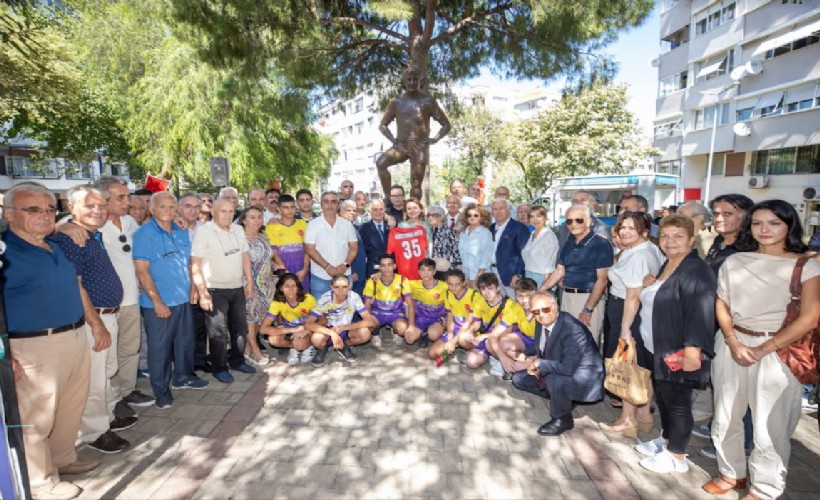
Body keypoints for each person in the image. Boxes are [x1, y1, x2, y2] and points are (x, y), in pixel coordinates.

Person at [705, 200, 820, 500]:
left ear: (789, 226)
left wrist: (762, 348)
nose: (764, 229)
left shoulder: (807, 265)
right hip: (733, 343)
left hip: (778, 351)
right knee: (726, 415)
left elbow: (810, 318)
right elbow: (722, 303)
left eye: (773, 223)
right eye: (757, 223)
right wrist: (732, 340)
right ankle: (732, 473)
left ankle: (765, 488)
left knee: (772, 425)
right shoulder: (735, 261)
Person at [3, 182, 98, 499]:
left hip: (72, 335)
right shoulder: (7, 253)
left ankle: (63, 459)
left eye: (48, 209)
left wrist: (93, 325)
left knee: (70, 407)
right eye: (33, 209)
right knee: (35, 417)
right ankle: (40, 482)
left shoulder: (52, 245)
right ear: (9, 213)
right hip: (32, 347)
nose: (44, 215)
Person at [51, 186, 133, 454]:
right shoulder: (72, 237)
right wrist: (96, 324)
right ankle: (94, 432)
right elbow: (75, 284)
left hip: (107, 315)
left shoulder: (91, 234)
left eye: (101, 205)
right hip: (93, 319)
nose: (97, 210)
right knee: (94, 379)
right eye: (89, 205)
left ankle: (107, 418)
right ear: (71, 208)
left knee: (107, 373)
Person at [633, 214, 717, 474]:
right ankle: (667, 440)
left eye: (678, 236)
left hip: (676, 349)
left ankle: (677, 456)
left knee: (678, 403)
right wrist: (651, 282)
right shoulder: (669, 264)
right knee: (665, 398)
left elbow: (700, 312)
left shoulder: (696, 269)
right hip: (654, 345)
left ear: (692, 239)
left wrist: (692, 351)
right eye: (666, 236)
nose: (670, 241)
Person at [134, 192, 209, 409]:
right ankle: (161, 391)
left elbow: (188, 264)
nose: (167, 211)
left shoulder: (181, 230)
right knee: (160, 350)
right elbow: (142, 271)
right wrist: (157, 302)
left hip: (182, 299)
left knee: (185, 343)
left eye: (171, 206)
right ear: (152, 209)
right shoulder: (144, 234)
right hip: (158, 304)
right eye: (163, 207)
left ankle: (183, 377)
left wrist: (193, 288)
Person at [599, 211, 664, 437]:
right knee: (642, 366)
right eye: (622, 227)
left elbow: (633, 295)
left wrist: (625, 329)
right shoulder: (645, 249)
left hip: (628, 312)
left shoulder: (639, 255)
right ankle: (644, 415)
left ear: (644, 232)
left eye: (631, 228)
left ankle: (627, 419)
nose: (625, 232)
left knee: (628, 364)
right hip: (636, 312)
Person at [94, 177, 155, 412]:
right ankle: (111, 399)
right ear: (103, 199)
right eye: (120, 197)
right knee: (107, 357)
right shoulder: (91, 224)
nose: (127, 202)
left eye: (127, 196)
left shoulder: (130, 222)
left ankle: (127, 390)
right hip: (105, 303)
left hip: (132, 299)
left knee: (130, 349)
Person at [510, 292, 605, 437]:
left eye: (545, 309)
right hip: (559, 366)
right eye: (536, 311)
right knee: (518, 379)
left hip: (584, 376)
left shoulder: (572, 328)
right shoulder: (540, 322)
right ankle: (562, 398)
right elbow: (541, 346)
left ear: (556, 307)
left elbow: (567, 368)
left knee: (553, 380)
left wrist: (539, 364)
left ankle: (562, 418)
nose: (541, 315)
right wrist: (520, 354)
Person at [191, 198, 257, 384]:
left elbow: (244, 255)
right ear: (214, 212)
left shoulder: (238, 229)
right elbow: (195, 264)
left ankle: (237, 360)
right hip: (214, 289)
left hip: (237, 287)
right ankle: (219, 368)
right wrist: (202, 292)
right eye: (223, 211)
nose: (228, 215)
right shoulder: (204, 232)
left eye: (231, 211)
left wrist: (249, 281)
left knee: (239, 329)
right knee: (218, 332)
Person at [375, 64, 451, 199]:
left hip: (420, 146)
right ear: (405, 80)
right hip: (401, 145)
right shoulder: (396, 102)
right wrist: (394, 141)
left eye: (415, 79)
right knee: (381, 163)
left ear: (420, 81)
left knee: (416, 183)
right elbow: (383, 126)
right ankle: (389, 200)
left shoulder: (428, 101)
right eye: (409, 79)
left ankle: (413, 211)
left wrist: (435, 139)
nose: (412, 82)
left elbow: (446, 125)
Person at [543, 205, 613, 346]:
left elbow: (602, 280)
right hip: (567, 298)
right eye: (569, 221)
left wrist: (588, 309)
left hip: (587, 299)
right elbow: (559, 271)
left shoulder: (600, 243)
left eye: (578, 220)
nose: (573, 224)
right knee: (568, 343)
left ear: (588, 221)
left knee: (587, 346)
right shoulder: (570, 241)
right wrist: (540, 291)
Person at [458, 273, 522, 373]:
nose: (487, 293)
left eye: (490, 288)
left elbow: (506, 334)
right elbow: (477, 324)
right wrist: (470, 331)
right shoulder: (480, 302)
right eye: (483, 289)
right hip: (487, 338)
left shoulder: (509, 305)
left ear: (498, 288)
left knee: (493, 343)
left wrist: (483, 337)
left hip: (502, 340)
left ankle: (503, 361)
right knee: (471, 361)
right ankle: (487, 355)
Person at [306, 274, 376, 365]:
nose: (341, 291)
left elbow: (369, 321)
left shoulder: (354, 297)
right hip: (328, 330)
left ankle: (343, 345)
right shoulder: (325, 299)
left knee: (365, 334)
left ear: (349, 286)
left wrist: (343, 328)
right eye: (336, 287)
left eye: (344, 287)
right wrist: (332, 333)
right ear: (331, 287)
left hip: (346, 328)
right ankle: (323, 348)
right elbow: (308, 324)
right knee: (316, 339)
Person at [304, 191, 358, 299]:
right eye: (326, 202)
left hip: (344, 276)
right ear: (321, 204)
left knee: (344, 312)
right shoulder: (313, 224)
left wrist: (345, 265)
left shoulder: (347, 224)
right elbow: (310, 249)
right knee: (321, 313)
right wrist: (327, 267)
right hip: (320, 277)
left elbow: (354, 248)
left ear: (338, 205)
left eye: (333, 202)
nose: (330, 205)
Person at [237, 207, 273, 367]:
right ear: (244, 220)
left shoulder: (264, 236)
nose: (257, 220)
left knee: (261, 317)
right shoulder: (239, 238)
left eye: (259, 217)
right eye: (252, 217)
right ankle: (255, 349)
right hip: (248, 283)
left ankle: (247, 349)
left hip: (266, 283)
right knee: (250, 317)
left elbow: (269, 258)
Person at [259, 273, 317, 365]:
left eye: (294, 286)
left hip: (306, 328)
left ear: (298, 287)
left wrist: (307, 329)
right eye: (287, 286)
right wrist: (293, 329)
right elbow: (263, 329)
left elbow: (323, 319)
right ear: (281, 288)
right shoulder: (277, 302)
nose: (291, 290)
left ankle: (308, 346)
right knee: (273, 339)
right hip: (290, 328)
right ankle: (295, 348)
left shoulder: (308, 299)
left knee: (299, 343)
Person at [363, 254, 415, 342]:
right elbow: (367, 303)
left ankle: (395, 331)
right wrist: (368, 321)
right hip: (377, 313)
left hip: (395, 313)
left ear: (394, 266)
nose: (386, 268)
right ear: (379, 267)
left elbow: (410, 304)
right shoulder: (372, 281)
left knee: (403, 329)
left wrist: (411, 326)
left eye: (389, 265)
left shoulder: (402, 280)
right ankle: (375, 333)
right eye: (383, 265)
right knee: (367, 326)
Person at [434, 269, 480, 360]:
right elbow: (449, 317)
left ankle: (468, 349)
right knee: (432, 354)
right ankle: (452, 347)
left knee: (463, 339)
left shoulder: (474, 295)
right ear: (446, 283)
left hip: (469, 329)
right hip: (455, 328)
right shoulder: (447, 294)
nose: (453, 288)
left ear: (464, 283)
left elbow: (468, 322)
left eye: (457, 284)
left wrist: (453, 342)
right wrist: (450, 338)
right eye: (450, 284)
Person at [267, 194, 310, 291]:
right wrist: (284, 270)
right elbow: (274, 251)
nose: (290, 210)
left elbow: (308, 249)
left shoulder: (303, 224)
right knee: (283, 300)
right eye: (286, 207)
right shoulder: (271, 227)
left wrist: (305, 269)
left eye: (292, 207)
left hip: (301, 272)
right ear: (278, 208)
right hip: (282, 272)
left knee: (303, 300)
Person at [490, 198, 530, 298]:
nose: (498, 212)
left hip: (511, 275)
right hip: (492, 272)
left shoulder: (519, 228)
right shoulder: (490, 228)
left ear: (508, 210)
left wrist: (518, 274)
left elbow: (524, 254)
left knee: (516, 305)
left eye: (501, 208)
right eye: (495, 209)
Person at [409, 258, 449, 352]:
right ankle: (423, 334)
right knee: (409, 339)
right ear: (419, 272)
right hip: (420, 318)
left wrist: (447, 321)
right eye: (422, 270)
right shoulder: (413, 284)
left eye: (429, 270)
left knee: (433, 335)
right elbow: (395, 280)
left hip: (437, 318)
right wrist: (379, 274)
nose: (426, 273)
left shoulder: (444, 286)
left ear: (434, 271)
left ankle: (438, 333)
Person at [389, 197, 430, 281]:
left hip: (425, 264)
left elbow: (430, 245)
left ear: (420, 209)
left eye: (415, 208)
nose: (412, 211)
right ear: (406, 211)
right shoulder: (401, 227)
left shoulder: (427, 225)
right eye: (409, 209)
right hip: (407, 266)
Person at [521, 205, 559, 289]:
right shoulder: (532, 234)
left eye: (539, 216)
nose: (535, 220)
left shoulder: (549, 235)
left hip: (542, 277)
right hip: (529, 275)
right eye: (532, 217)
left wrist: (546, 281)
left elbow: (551, 260)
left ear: (545, 218)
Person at [458, 204, 493, 288]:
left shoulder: (485, 233)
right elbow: (462, 254)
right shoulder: (463, 233)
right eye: (469, 215)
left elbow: (486, 255)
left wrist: (480, 274)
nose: (472, 217)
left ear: (482, 217)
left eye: (476, 215)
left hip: (479, 275)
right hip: (466, 274)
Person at [340, 199, 367, 295]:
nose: (352, 213)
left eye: (354, 210)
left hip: (360, 274)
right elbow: (340, 254)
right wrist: (349, 273)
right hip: (350, 275)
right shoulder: (340, 229)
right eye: (349, 210)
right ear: (341, 212)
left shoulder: (354, 227)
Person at [427, 205, 461, 277]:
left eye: (434, 215)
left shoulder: (448, 231)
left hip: (446, 269)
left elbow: (455, 249)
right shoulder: (429, 231)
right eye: (429, 215)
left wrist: (457, 267)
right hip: (433, 269)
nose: (430, 217)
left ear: (441, 217)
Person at [360, 199, 391, 278]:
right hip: (373, 270)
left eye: (381, 209)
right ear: (370, 211)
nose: (378, 212)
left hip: (391, 269)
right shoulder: (364, 228)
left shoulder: (391, 226)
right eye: (375, 210)